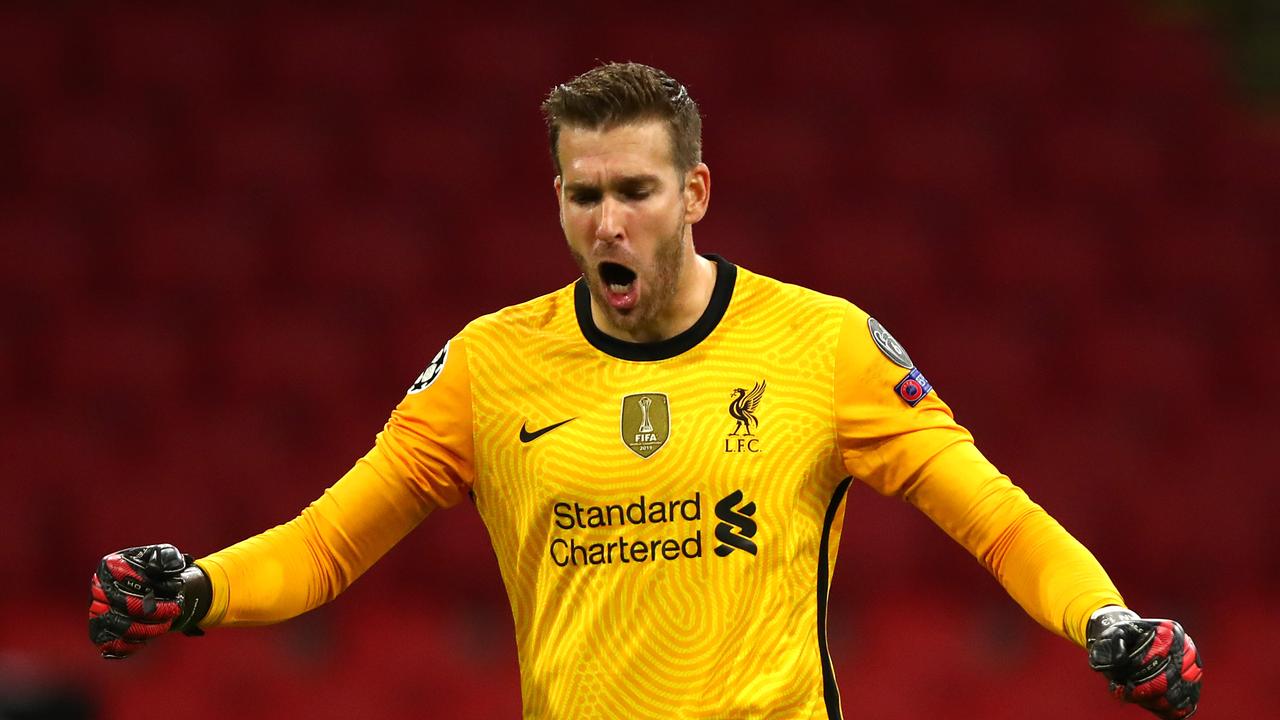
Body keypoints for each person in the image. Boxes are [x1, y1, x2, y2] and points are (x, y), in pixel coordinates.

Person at [88, 62, 1202, 719]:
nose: (607, 223)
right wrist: (199, 590)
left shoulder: (821, 345)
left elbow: (997, 521)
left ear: (697, 190)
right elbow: (326, 544)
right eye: (583, 194)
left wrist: (1101, 614)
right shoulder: (486, 363)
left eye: (636, 190)